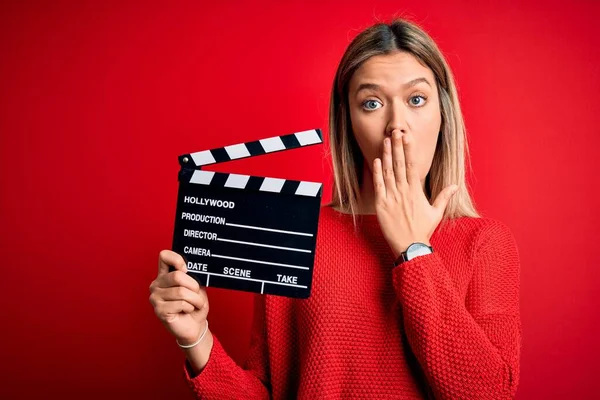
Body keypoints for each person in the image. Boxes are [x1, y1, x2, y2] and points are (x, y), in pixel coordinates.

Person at [149, 18, 521, 399]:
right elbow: (268, 391)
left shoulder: (484, 243)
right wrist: (196, 340)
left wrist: (414, 252)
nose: (397, 126)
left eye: (416, 99)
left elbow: (488, 393)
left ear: (443, 114)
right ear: (349, 121)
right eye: (372, 103)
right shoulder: (297, 235)